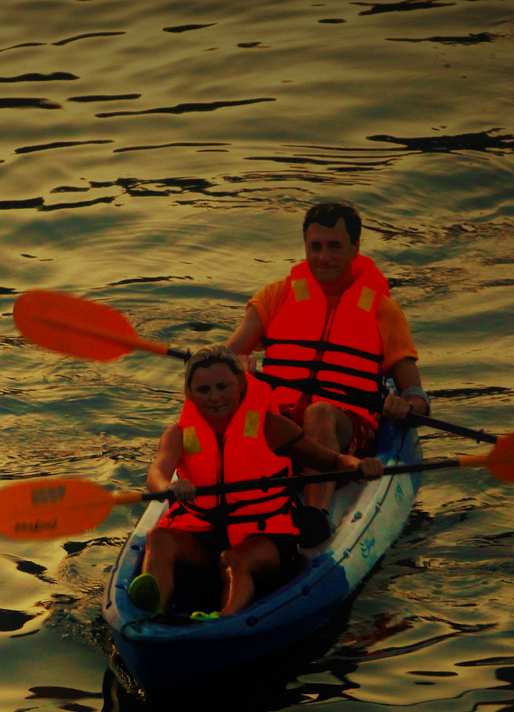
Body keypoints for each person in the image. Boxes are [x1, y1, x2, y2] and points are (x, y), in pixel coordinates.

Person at [205, 201, 430, 545]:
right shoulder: (277, 295)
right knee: (239, 412)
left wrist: (406, 406)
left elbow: (417, 395)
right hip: (284, 421)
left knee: (320, 412)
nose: (324, 257)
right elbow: (227, 354)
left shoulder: (383, 311)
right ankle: (219, 507)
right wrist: (239, 364)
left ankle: (315, 516)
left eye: (335, 246)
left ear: (355, 248)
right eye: (316, 247)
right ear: (306, 247)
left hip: (345, 427)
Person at [128, 349, 382, 619]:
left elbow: (330, 459)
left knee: (233, 559)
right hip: (203, 536)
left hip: (264, 536)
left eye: (222, 386)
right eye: (203, 390)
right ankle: (153, 615)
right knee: (159, 538)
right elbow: (156, 473)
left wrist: (357, 465)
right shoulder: (179, 434)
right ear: (190, 394)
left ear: (240, 384)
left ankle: (223, 622)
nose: (214, 397)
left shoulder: (268, 426)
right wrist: (167, 486)